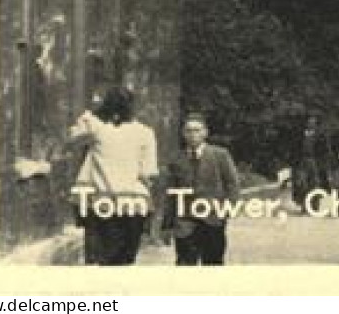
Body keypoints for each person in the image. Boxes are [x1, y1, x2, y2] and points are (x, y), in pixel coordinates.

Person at [66, 86, 159, 265]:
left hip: (101, 202)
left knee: (101, 261)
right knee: (125, 260)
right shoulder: (145, 132)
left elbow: (72, 139)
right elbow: (148, 173)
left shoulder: (97, 129)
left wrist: (93, 113)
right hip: (134, 202)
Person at [161, 113, 240, 265]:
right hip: (185, 223)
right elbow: (170, 195)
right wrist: (167, 226)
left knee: (213, 264)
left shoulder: (220, 155)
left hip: (213, 220)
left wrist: (227, 210)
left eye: (197, 130)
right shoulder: (177, 159)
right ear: (183, 134)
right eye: (188, 131)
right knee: (185, 266)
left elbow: (232, 184)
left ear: (205, 132)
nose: (193, 135)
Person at [291, 114, 332, 207]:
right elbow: (294, 149)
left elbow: (326, 151)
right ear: (306, 123)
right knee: (301, 183)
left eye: (313, 122)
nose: (311, 124)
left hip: (315, 161)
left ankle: (315, 204)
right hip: (302, 161)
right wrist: (294, 161)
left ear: (316, 124)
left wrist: (324, 163)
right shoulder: (300, 134)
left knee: (315, 183)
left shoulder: (321, 135)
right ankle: (303, 205)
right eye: (309, 122)